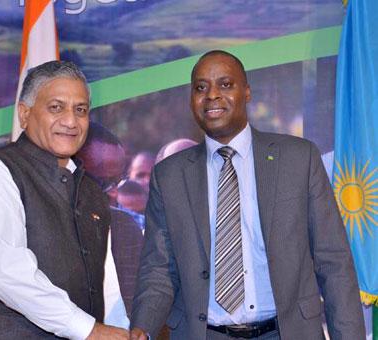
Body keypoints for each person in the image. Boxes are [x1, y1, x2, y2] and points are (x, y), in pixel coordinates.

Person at [130, 51, 365, 340]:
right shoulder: (169, 175)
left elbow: (333, 261)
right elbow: (158, 269)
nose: (212, 95)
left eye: (225, 84)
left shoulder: (299, 159)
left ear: (247, 92)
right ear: (191, 99)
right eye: (200, 87)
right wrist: (142, 328)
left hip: (284, 333)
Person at [0, 61, 129, 339]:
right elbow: (3, 271)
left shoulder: (91, 191)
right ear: (24, 115)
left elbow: (104, 285)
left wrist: (116, 330)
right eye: (56, 107)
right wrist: (90, 330)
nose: (71, 121)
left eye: (81, 110)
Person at [77, 123, 144, 317]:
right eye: (105, 182)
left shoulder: (124, 229)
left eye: (118, 180)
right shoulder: (39, 227)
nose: (115, 192)